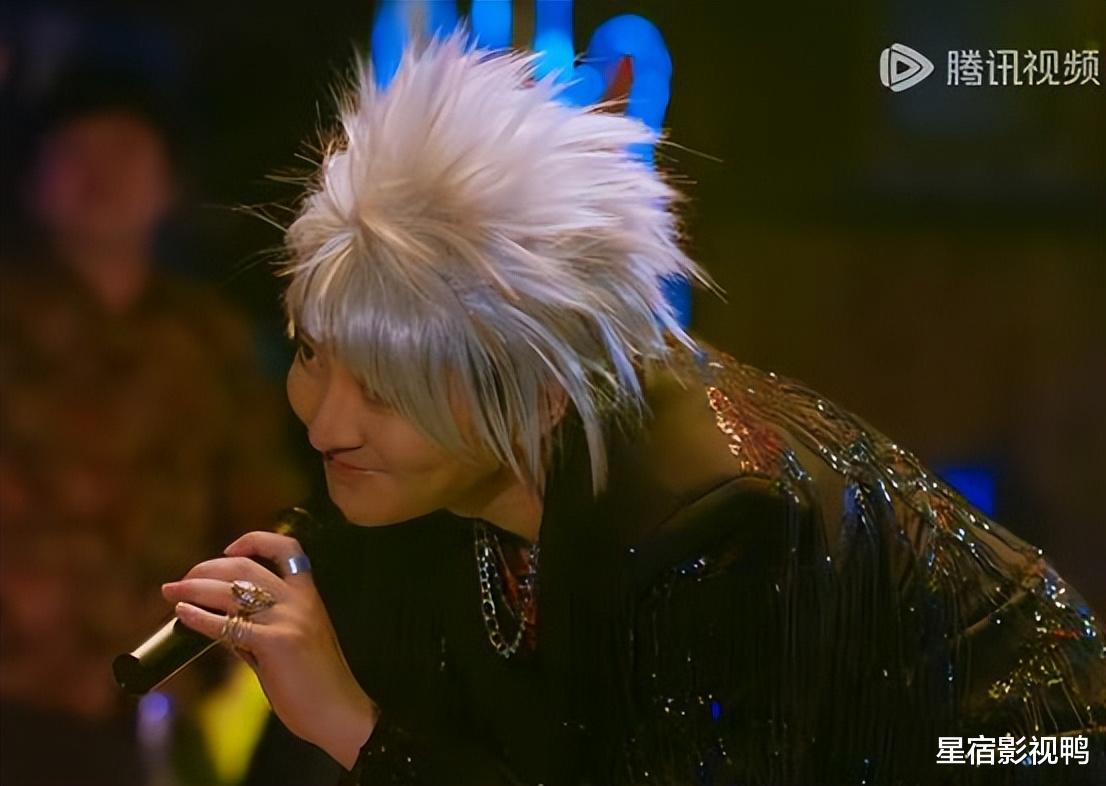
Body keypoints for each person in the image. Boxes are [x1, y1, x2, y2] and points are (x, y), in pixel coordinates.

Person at [161, 32, 1106, 786]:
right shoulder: (424, 490)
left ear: (538, 388)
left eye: (386, 388)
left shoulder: (716, 525)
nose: (325, 423)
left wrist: (352, 725)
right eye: (312, 355)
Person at [0, 66, 307, 786]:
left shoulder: (209, 342)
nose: (100, 174)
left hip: (155, 707)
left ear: (169, 182)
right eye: (76, 152)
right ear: (34, 180)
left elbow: (263, 515)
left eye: (126, 151)